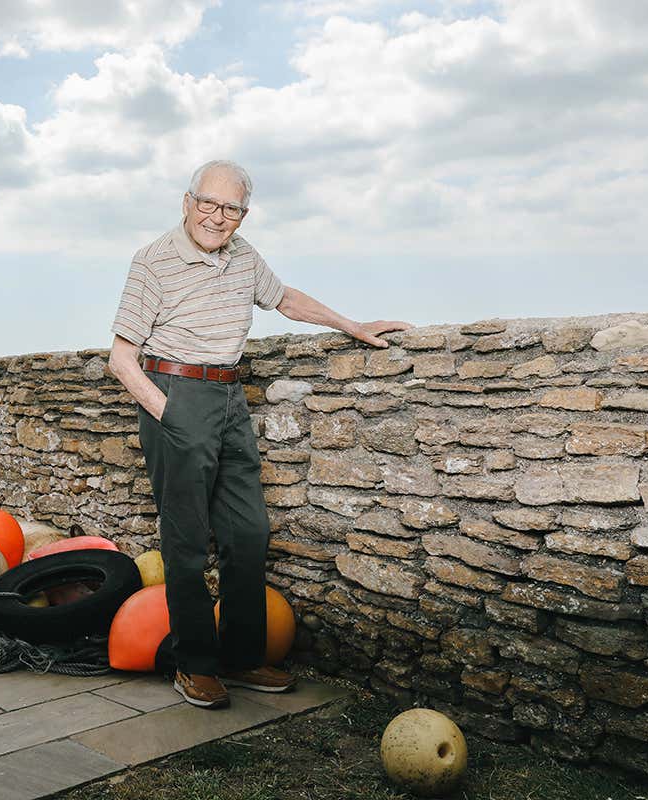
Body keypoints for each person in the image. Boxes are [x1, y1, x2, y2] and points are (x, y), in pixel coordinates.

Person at [108, 160, 411, 709]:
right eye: (208, 203)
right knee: (187, 540)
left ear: (243, 215)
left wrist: (353, 326)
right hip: (175, 394)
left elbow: (286, 299)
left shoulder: (243, 257)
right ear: (186, 201)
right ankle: (195, 664)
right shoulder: (153, 261)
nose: (217, 218)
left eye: (231, 209)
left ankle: (244, 658)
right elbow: (122, 359)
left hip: (230, 398)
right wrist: (169, 415)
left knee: (248, 534)